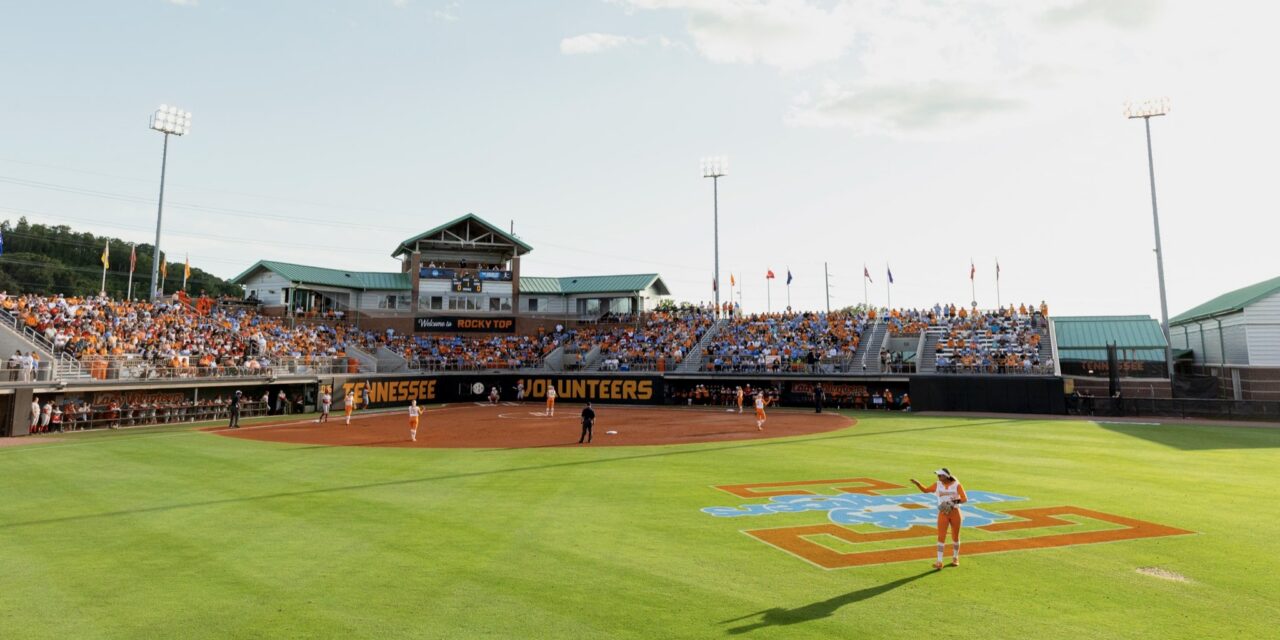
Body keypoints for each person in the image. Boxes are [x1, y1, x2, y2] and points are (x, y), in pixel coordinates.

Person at [911, 468, 968, 569]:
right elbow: (926, 490)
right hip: (943, 513)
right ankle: (939, 562)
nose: (938, 477)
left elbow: (964, 499)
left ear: (946, 476)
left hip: (955, 512)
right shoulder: (938, 484)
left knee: (955, 536)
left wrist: (952, 502)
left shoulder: (956, 484)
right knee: (941, 537)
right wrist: (918, 484)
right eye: (938, 475)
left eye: (940, 475)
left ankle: (955, 558)